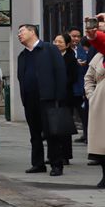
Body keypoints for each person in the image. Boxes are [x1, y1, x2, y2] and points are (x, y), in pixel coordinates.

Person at [17, 24, 69, 176]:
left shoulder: (49, 49)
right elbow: (21, 78)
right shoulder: (22, 55)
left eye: (21, 31)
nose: (19, 35)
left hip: (48, 98)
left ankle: (56, 164)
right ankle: (38, 164)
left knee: (52, 133)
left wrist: (59, 97)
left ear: (32, 32)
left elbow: (60, 72)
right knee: (34, 134)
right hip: (30, 99)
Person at [53, 33, 80, 165]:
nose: (57, 44)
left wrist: (60, 84)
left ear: (68, 45)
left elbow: (73, 77)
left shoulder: (70, 58)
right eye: (55, 41)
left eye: (60, 42)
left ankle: (65, 155)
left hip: (66, 96)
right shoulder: (52, 57)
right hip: (53, 95)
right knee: (53, 126)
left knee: (64, 127)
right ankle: (55, 155)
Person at [83, 39, 105, 186]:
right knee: (101, 143)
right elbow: (88, 78)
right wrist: (92, 96)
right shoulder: (98, 57)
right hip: (100, 104)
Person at [71, 27, 91, 143]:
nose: (76, 39)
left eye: (78, 36)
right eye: (74, 36)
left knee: (84, 113)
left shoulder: (82, 49)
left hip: (80, 86)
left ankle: (86, 134)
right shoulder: (64, 49)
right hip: (69, 87)